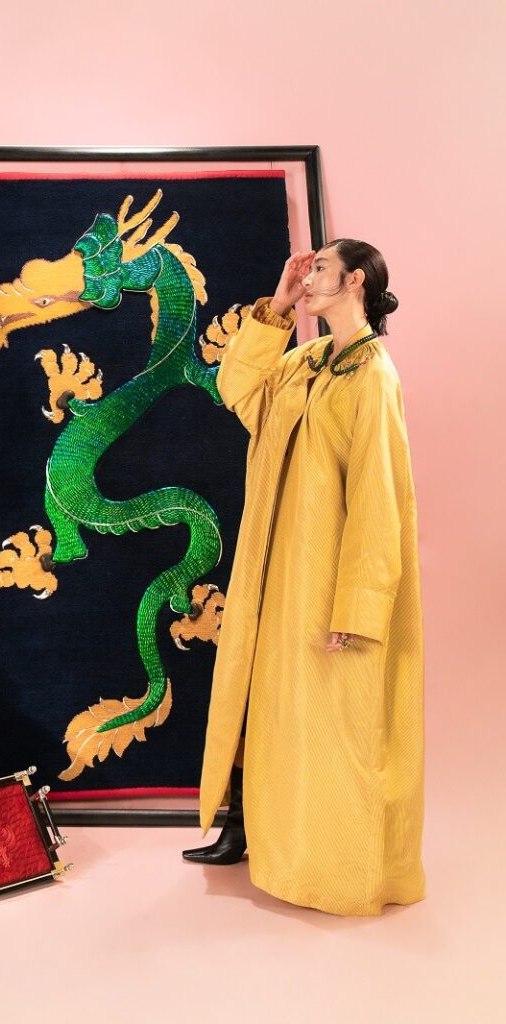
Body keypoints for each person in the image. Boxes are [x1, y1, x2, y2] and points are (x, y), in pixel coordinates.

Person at [183, 241, 426, 916]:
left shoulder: (373, 377)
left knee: (329, 716)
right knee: (262, 696)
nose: (307, 274)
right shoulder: (309, 360)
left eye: (320, 268)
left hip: (323, 573)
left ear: (355, 281)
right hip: (273, 558)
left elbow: (378, 501)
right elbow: (237, 391)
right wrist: (278, 309)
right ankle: (246, 828)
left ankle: (333, 862)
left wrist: (359, 606)